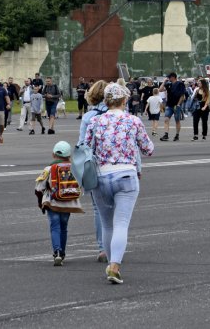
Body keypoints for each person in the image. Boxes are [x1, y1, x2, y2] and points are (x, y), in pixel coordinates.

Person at [83, 82, 154, 284]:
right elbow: (148, 149)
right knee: (121, 223)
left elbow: (85, 147)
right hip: (126, 176)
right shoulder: (133, 121)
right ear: (124, 100)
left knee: (107, 225)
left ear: (106, 101)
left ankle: (109, 261)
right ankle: (114, 266)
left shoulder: (95, 121)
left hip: (101, 176)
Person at [34, 141, 84, 266]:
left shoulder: (49, 169)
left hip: (53, 202)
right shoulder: (74, 167)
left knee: (54, 226)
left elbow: (39, 188)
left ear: (53, 154)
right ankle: (62, 253)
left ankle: (57, 252)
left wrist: (40, 202)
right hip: (68, 203)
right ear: (69, 156)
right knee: (64, 228)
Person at [78, 80, 109, 263]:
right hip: (116, 165)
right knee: (116, 208)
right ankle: (115, 243)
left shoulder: (88, 117)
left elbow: (82, 144)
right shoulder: (120, 114)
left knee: (98, 209)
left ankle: (102, 247)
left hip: (95, 166)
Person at [160, 72, 187, 141]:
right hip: (169, 105)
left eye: (169, 77)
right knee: (166, 119)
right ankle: (166, 134)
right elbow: (160, 89)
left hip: (176, 105)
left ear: (173, 77)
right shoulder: (169, 84)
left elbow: (182, 95)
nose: (168, 78)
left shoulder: (180, 84)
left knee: (177, 120)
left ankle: (177, 135)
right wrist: (164, 82)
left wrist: (178, 104)